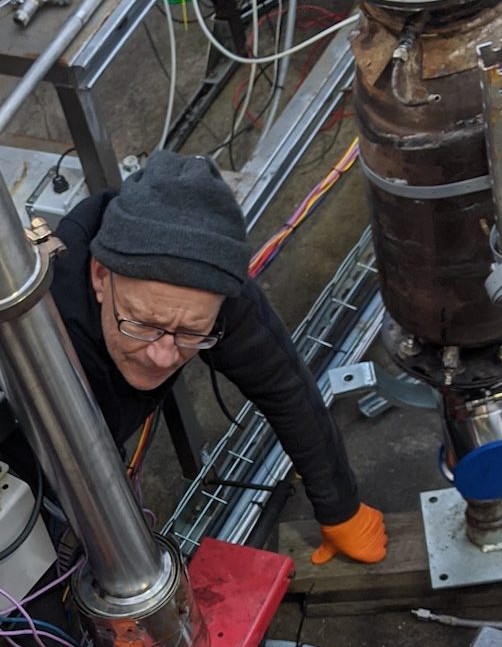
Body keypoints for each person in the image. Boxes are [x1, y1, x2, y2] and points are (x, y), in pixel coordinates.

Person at [52, 148, 387, 566]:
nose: (162, 356)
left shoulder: (210, 283)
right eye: (142, 324)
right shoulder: (39, 325)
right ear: (101, 277)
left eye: (191, 333)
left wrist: (340, 507)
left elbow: (285, 389)